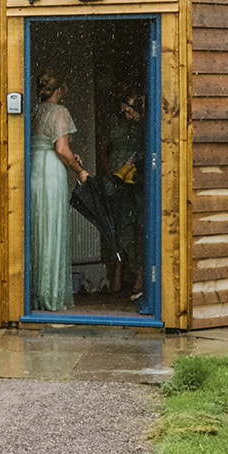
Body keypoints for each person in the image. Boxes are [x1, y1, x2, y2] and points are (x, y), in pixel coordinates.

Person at [29, 72, 88, 311]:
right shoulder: (59, 112)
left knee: (36, 229)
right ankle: (50, 294)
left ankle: (35, 293)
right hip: (51, 172)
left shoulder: (33, 112)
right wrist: (79, 171)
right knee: (52, 229)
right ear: (59, 91)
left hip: (34, 169)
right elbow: (62, 149)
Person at [100, 86, 146, 300]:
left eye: (128, 111)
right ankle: (118, 275)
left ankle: (140, 275)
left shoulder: (144, 124)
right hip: (117, 180)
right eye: (123, 112)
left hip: (138, 179)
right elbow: (103, 148)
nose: (125, 115)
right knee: (120, 225)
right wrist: (110, 173)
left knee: (140, 225)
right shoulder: (113, 122)